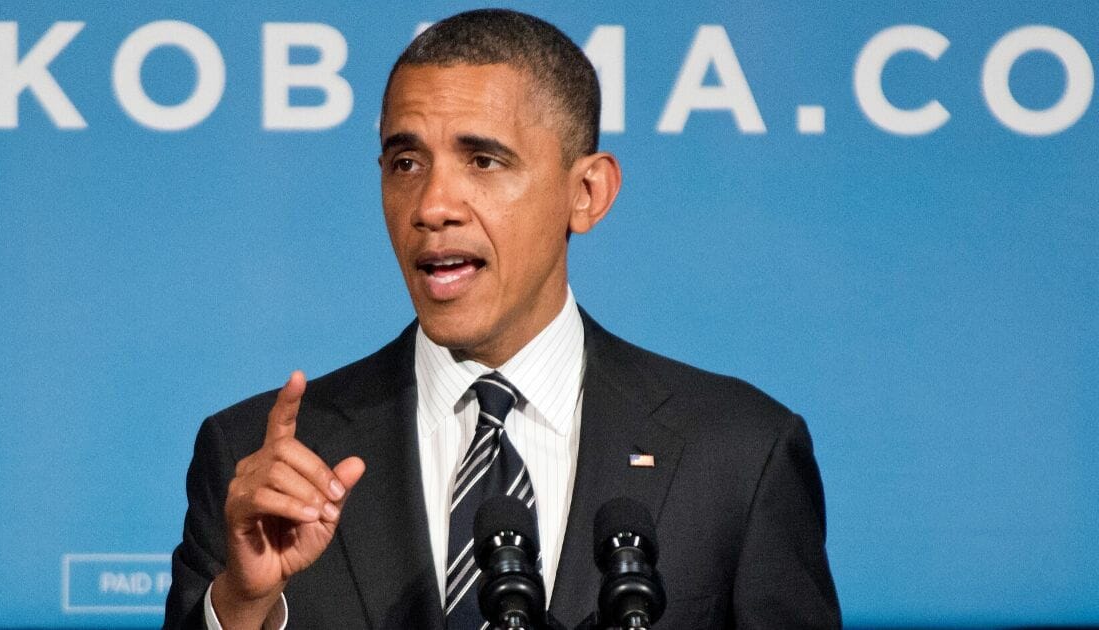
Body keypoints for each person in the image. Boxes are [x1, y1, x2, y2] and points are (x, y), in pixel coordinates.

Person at [165, 9, 840, 629]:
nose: (432, 205)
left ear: (586, 193)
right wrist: (243, 605)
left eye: (483, 161)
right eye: (406, 162)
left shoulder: (737, 453)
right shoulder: (260, 458)